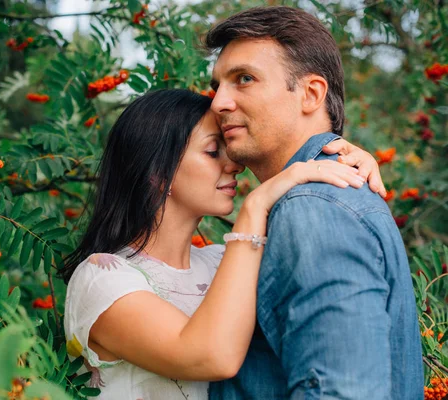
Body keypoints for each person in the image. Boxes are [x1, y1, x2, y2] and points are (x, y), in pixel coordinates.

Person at [62, 88, 387, 399]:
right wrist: (255, 206)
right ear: (158, 173)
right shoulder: (103, 279)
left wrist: (346, 160)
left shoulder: (223, 262)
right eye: (212, 151)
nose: (234, 164)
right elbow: (212, 356)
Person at [205, 6, 423, 399]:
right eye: (217, 85)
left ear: (311, 94)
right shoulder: (311, 200)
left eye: (244, 79)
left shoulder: (312, 208)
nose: (218, 102)